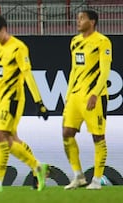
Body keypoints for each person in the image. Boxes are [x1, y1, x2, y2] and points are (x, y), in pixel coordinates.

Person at [0, 15, 49, 192]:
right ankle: (37, 167)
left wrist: (39, 101)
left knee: (0, 137)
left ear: (3, 30)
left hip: (13, 100)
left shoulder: (18, 47)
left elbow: (27, 74)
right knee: (8, 139)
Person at [62, 10, 112, 190]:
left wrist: (95, 93)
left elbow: (105, 71)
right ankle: (78, 176)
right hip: (75, 97)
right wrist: (68, 96)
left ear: (92, 22)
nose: (78, 21)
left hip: (94, 97)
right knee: (67, 133)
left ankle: (97, 180)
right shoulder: (75, 42)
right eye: (78, 18)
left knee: (98, 137)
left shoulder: (102, 41)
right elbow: (74, 70)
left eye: (82, 18)